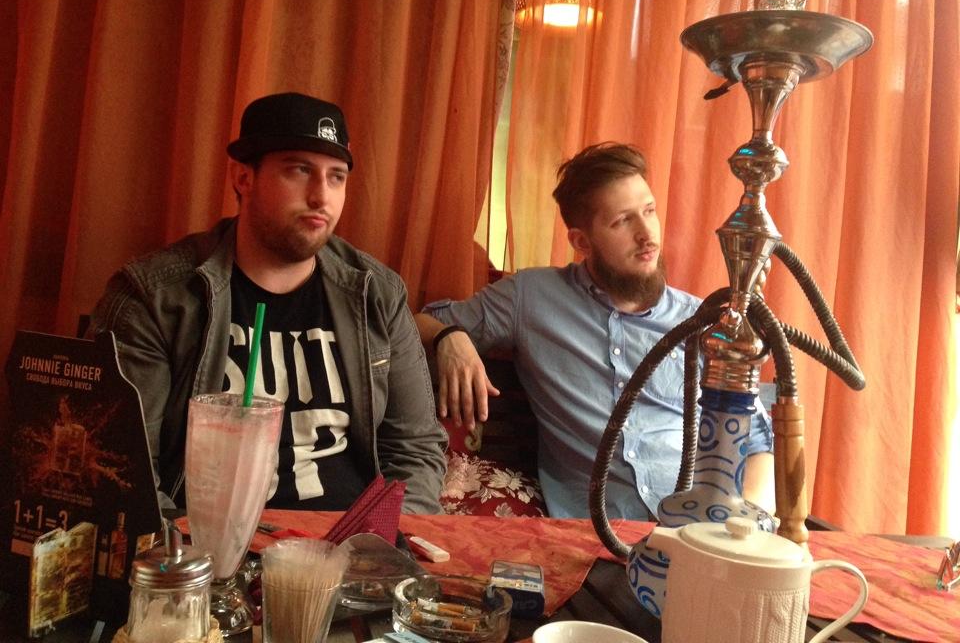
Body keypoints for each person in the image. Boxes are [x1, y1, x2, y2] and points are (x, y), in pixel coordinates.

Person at [89, 92, 447, 513]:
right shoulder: (155, 297)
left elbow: (415, 451)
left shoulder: (377, 293)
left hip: (348, 542)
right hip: (207, 541)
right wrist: (187, 549)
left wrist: (379, 539)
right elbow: (122, 470)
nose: (321, 196)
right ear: (244, 178)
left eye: (336, 177)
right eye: (300, 170)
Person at [415, 142, 774, 520]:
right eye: (622, 221)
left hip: (697, 529)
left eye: (649, 211)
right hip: (597, 534)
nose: (647, 235)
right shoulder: (531, 298)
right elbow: (418, 322)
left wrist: (744, 525)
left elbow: (756, 441)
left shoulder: (701, 321)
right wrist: (449, 337)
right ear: (581, 242)